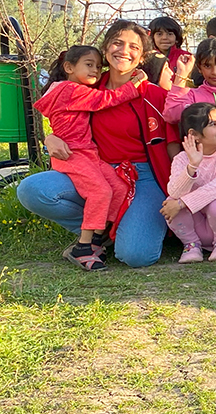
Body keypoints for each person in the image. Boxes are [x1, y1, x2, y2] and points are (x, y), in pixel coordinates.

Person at [20, 20, 182, 268]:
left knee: (136, 256)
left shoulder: (154, 95)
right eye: (117, 43)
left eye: (133, 47)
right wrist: (50, 137)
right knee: (32, 190)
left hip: (144, 177)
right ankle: (96, 235)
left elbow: (176, 141)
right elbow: (62, 118)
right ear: (106, 49)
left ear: (141, 57)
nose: (124, 51)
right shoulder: (85, 87)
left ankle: (122, 230)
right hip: (97, 168)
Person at [33, 47, 145, 271]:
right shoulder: (69, 89)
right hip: (72, 154)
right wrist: (135, 84)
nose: (95, 70)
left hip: (89, 153)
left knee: (119, 188)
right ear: (69, 67)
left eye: (97, 66)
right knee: (100, 192)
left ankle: (97, 239)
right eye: (88, 64)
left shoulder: (73, 88)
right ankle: (83, 247)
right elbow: (107, 99)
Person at [163, 103, 216, 263]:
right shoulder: (181, 159)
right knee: (170, 203)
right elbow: (174, 192)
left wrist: (182, 203)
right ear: (194, 134)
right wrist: (192, 166)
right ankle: (191, 246)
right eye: (213, 124)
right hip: (195, 226)